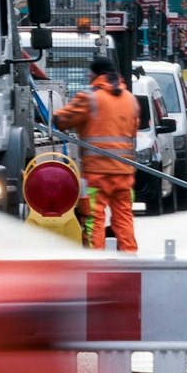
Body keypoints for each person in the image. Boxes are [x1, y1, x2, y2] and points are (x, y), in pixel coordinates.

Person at [54, 56, 140, 254]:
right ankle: (130, 259)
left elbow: (64, 119)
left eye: (90, 72)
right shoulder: (130, 99)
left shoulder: (90, 98)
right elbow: (133, 130)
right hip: (124, 173)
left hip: (96, 175)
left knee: (93, 218)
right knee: (124, 218)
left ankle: (96, 262)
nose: (87, 75)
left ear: (96, 74)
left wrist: (55, 118)